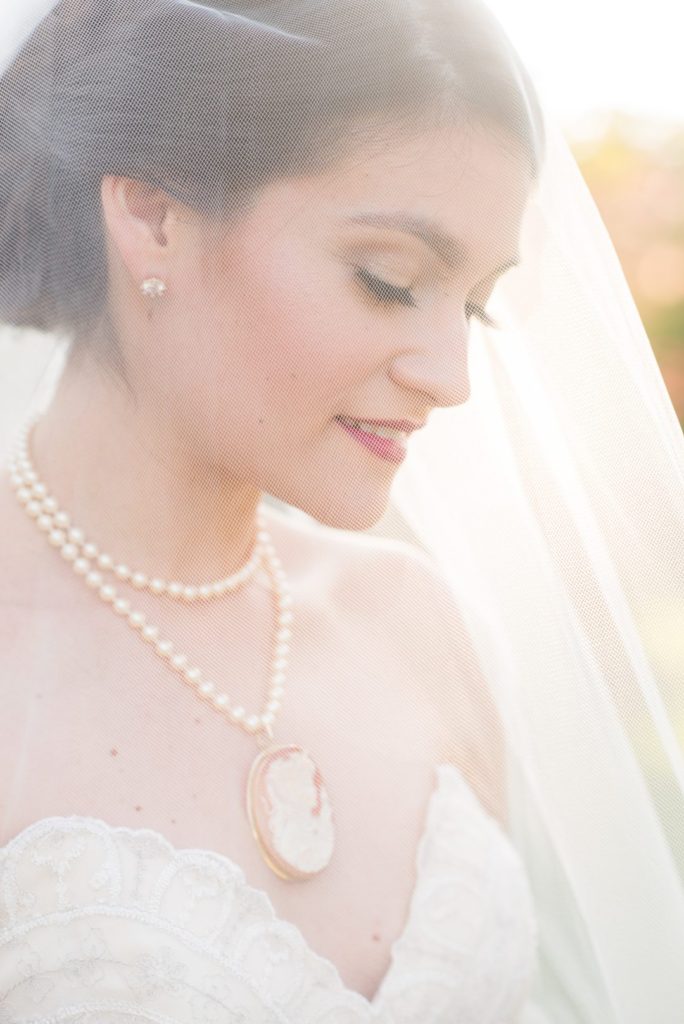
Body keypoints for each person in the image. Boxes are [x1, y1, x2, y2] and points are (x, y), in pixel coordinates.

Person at [0, 1, 682, 1021]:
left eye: (476, 302)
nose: (452, 377)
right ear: (152, 215)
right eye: (388, 279)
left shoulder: (421, 622)